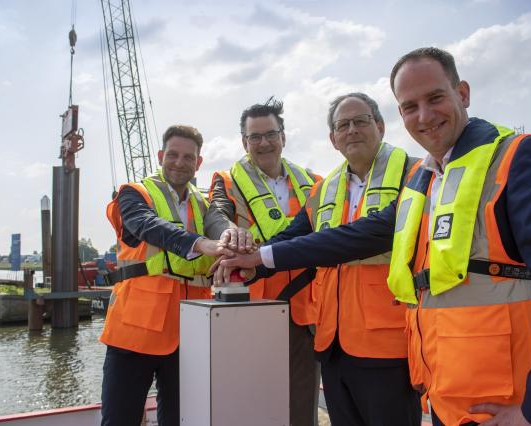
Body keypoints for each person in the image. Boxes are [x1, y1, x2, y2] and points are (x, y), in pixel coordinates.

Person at [215, 47, 531, 426]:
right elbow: (308, 237)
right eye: (410, 106)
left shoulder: (503, 160)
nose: (424, 116)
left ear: (463, 94)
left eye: (436, 98)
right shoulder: (422, 180)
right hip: (428, 376)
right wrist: (250, 263)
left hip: (474, 383)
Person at [220, 92, 421, 426]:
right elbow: (294, 234)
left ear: (381, 126)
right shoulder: (325, 188)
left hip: (388, 344)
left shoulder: (414, 173)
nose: (352, 130)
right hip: (332, 342)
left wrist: (263, 256)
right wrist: (243, 268)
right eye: (343, 125)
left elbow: (364, 235)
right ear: (333, 139)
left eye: (361, 121)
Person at [100, 125, 233, 426]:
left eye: (188, 157)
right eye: (172, 154)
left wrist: (232, 241)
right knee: (121, 419)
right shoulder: (135, 194)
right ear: (160, 156)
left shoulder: (203, 202)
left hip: (191, 331)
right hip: (135, 332)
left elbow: (219, 223)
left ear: (198, 163)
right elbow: (147, 224)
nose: (179, 162)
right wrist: (200, 244)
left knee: (181, 419)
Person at [204, 97, 321, 426]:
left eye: (270, 134)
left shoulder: (316, 182)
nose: (264, 143)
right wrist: (230, 234)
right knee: (251, 401)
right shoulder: (226, 181)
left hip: (304, 309)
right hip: (252, 308)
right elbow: (216, 213)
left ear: (283, 136)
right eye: (254, 137)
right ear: (244, 142)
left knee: (301, 404)